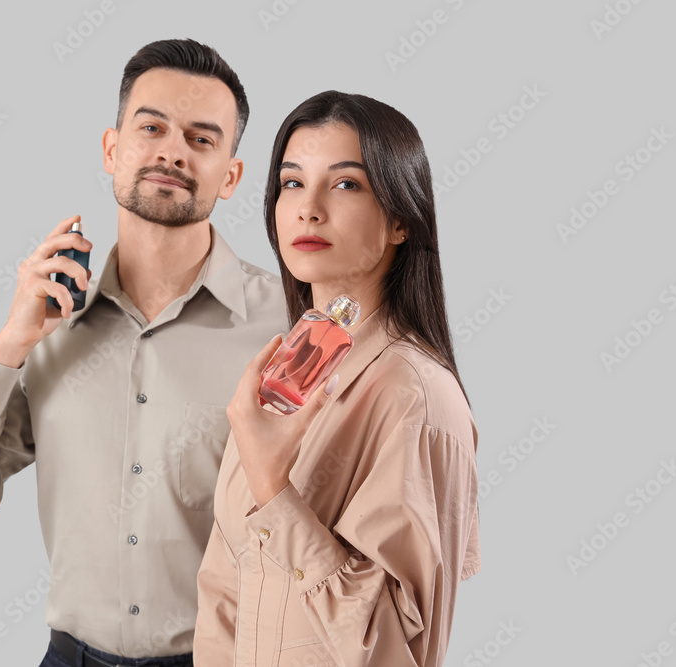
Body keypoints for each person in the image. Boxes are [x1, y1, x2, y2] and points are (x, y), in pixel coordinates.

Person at [0, 39, 288, 667]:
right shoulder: (49, 323)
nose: (171, 150)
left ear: (232, 175)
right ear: (112, 150)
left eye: (201, 139)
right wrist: (10, 348)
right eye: (152, 127)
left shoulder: (287, 328)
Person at [193, 91, 481, 667]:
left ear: (401, 218)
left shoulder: (414, 397)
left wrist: (275, 491)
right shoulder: (277, 375)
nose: (309, 208)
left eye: (345, 184)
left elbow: (392, 650)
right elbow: (224, 596)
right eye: (292, 183)